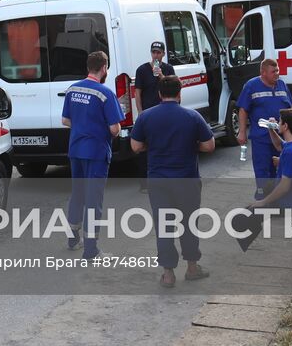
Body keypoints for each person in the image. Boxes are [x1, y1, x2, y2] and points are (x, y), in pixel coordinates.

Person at [130, 74, 215, 287]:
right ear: (180, 93)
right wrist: (189, 145)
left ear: (159, 93)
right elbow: (209, 146)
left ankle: (168, 273)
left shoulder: (146, 117)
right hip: (187, 180)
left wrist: (155, 146)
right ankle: (192, 268)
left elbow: (135, 146)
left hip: (158, 181)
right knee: (189, 223)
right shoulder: (192, 116)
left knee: (164, 226)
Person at [61, 50, 123, 260]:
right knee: (93, 199)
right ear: (104, 68)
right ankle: (91, 249)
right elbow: (115, 129)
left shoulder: (72, 89)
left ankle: (72, 238)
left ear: (88, 66)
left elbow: (66, 121)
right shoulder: (105, 94)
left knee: (77, 194)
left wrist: (83, 126)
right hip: (96, 152)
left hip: (76, 149)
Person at [236, 59, 292, 199]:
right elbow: (243, 110)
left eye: (278, 71)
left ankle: (278, 198)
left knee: (281, 168)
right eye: (273, 71)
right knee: (263, 170)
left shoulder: (282, 84)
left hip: (281, 138)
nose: (277, 74)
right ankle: (263, 198)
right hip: (261, 138)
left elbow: (290, 108)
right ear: (263, 72)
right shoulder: (251, 86)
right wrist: (242, 131)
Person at [132, 41, 175, 182]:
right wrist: (140, 112)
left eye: (158, 52)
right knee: (145, 147)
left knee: (164, 143)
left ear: (163, 54)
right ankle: (144, 181)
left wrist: (161, 76)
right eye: (153, 52)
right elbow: (137, 93)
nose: (156, 55)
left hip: (165, 112)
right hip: (148, 112)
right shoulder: (142, 70)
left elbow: (173, 88)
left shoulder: (168, 69)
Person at [255, 109, 292, 213]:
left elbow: (284, 187)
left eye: (280, 121)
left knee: (247, 213)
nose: (277, 123)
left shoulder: (290, 152)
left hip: (287, 205)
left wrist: (263, 202)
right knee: (265, 187)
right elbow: (279, 145)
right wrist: (271, 129)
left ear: (285, 126)